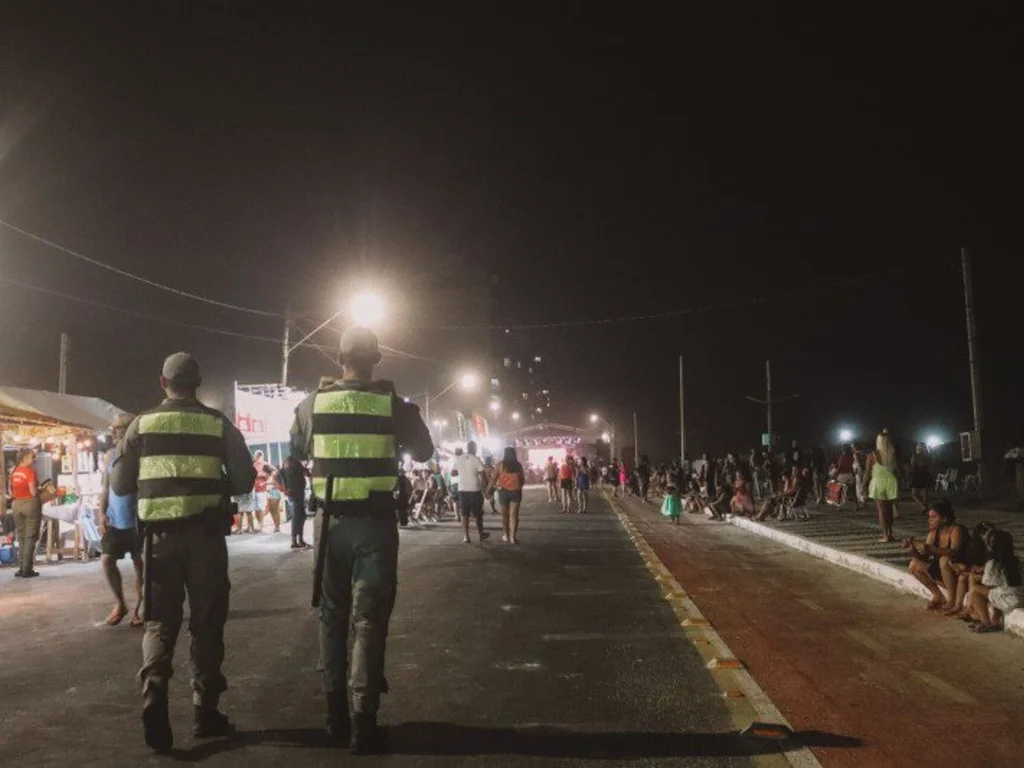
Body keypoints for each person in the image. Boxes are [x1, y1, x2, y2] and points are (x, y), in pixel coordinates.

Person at [289, 326, 432, 753]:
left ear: (339, 358)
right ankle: (363, 722)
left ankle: (334, 717)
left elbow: (296, 446)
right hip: (375, 525)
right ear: (378, 358)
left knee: (331, 616)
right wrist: (403, 408)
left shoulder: (313, 403)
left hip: (329, 524)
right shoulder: (391, 404)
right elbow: (423, 450)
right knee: (369, 621)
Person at [110, 352, 256, 753]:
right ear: (198, 383)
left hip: (158, 542)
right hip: (206, 539)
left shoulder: (141, 425)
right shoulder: (216, 423)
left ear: (163, 382)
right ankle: (204, 711)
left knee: (159, 622)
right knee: (206, 624)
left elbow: (121, 485)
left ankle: (155, 689)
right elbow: (244, 479)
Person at [98, 414, 144, 626]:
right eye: (114, 429)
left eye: (120, 428)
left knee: (140, 562)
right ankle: (120, 603)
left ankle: (140, 607)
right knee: (107, 560)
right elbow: (105, 486)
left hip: (137, 517)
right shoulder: (110, 455)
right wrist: (101, 512)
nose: (115, 432)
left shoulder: (141, 454)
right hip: (114, 518)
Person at [902, 500, 969, 611]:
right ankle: (938, 596)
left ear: (944, 519)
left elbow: (954, 553)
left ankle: (951, 601)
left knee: (944, 560)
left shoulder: (956, 530)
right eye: (929, 517)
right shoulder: (933, 533)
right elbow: (924, 557)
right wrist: (912, 550)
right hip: (943, 573)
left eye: (934, 517)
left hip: (960, 571)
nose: (930, 520)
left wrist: (931, 549)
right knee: (914, 565)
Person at [968, 529, 1024, 633]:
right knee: (997, 591)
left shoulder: (993, 563)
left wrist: (976, 575)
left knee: (976, 590)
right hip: (1020, 597)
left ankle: (986, 622)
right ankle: (995, 620)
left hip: (1008, 600)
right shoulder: (1017, 560)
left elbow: (987, 584)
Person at [10, 448, 41, 578]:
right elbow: (33, 492)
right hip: (30, 504)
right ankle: (27, 570)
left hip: (16, 505)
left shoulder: (14, 472)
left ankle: (21, 567)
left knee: (21, 537)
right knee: (30, 538)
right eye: (31, 457)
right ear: (26, 457)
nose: (33, 459)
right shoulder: (29, 471)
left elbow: (11, 492)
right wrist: (41, 490)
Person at [486, 447, 525, 543]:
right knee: (514, 515)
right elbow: (523, 480)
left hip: (503, 492)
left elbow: (493, 479)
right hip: (516, 492)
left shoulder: (500, 465)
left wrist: (488, 491)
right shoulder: (518, 466)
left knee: (505, 515)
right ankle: (513, 537)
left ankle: (506, 535)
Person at [866, 431, 900, 542]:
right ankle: (890, 533)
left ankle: (885, 535)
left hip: (878, 483)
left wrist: (863, 484)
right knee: (889, 510)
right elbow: (898, 470)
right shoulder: (893, 454)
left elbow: (867, 471)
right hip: (891, 482)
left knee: (881, 511)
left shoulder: (873, 454)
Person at [455, 441, 489, 544]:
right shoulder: (476, 459)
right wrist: (486, 490)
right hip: (474, 489)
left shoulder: (459, 458)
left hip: (462, 489)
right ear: (474, 448)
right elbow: (483, 476)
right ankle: (481, 534)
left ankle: (466, 536)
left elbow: (453, 472)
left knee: (464, 514)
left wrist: (463, 472)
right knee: (478, 514)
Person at [282, 456, 310, 549]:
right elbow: (307, 473)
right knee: (298, 517)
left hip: (297, 494)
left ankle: (299, 540)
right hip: (296, 494)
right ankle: (295, 541)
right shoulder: (293, 463)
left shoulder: (292, 464)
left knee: (301, 516)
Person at [910, 443, 932, 514]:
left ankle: (922, 507)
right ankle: (925, 510)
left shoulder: (915, 456)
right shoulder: (927, 456)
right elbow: (930, 464)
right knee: (925, 494)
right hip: (926, 475)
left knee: (914, 494)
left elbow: (912, 466)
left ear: (918, 448)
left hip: (917, 475)